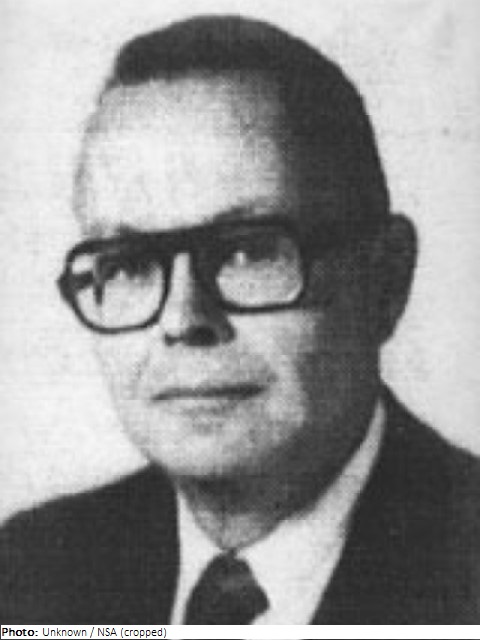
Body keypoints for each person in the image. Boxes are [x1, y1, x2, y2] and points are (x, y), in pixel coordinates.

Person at [1, 15, 479, 624]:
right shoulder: (33, 567)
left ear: (386, 281)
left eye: (248, 252)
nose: (183, 319)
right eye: (128, 265)